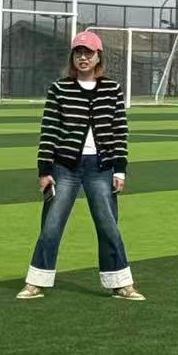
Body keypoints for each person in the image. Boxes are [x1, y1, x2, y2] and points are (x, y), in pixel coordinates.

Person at [17, 30, 144, 301]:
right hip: (65, 168)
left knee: (108, 226)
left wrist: (120, 169)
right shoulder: (59, 89)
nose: (83, 58)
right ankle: (36, 281)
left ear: (98, 57)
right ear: (72, 57)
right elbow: (49, 131)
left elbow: (119, 131)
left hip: (101, 167)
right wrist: (44, 170)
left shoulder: (112, 89)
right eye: (78, 53)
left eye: (88, 53)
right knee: (51, 225)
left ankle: (121, 284)